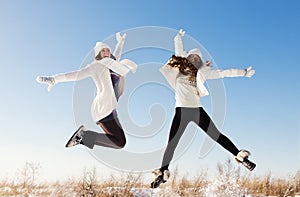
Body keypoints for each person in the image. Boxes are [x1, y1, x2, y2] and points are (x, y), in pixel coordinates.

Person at [150, 29, 256, 188]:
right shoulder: (178, 71)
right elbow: (178, 52)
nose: (194, 59)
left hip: (196, 110)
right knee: (172, 143)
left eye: (197, 58)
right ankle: (163, 172)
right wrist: (177, 38)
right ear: (187, 58)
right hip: (181, 111)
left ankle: (239, 156)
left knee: (216, 135)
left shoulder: (202, 73)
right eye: (192, 57)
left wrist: (244, 72)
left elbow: (223, 73)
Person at [36, 32, 137, 149]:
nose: (106, 52)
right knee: (120, 142)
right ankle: (84, 136)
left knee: (120, 142)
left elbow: (117, 56)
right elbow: (77, 75)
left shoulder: (112, 65)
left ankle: (84, 137)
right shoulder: (95, 66)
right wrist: (55, 79)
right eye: (102, 51)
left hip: (111, 108)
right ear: (98, 54)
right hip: (103, 108)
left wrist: (120, 43)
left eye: (107, 50)